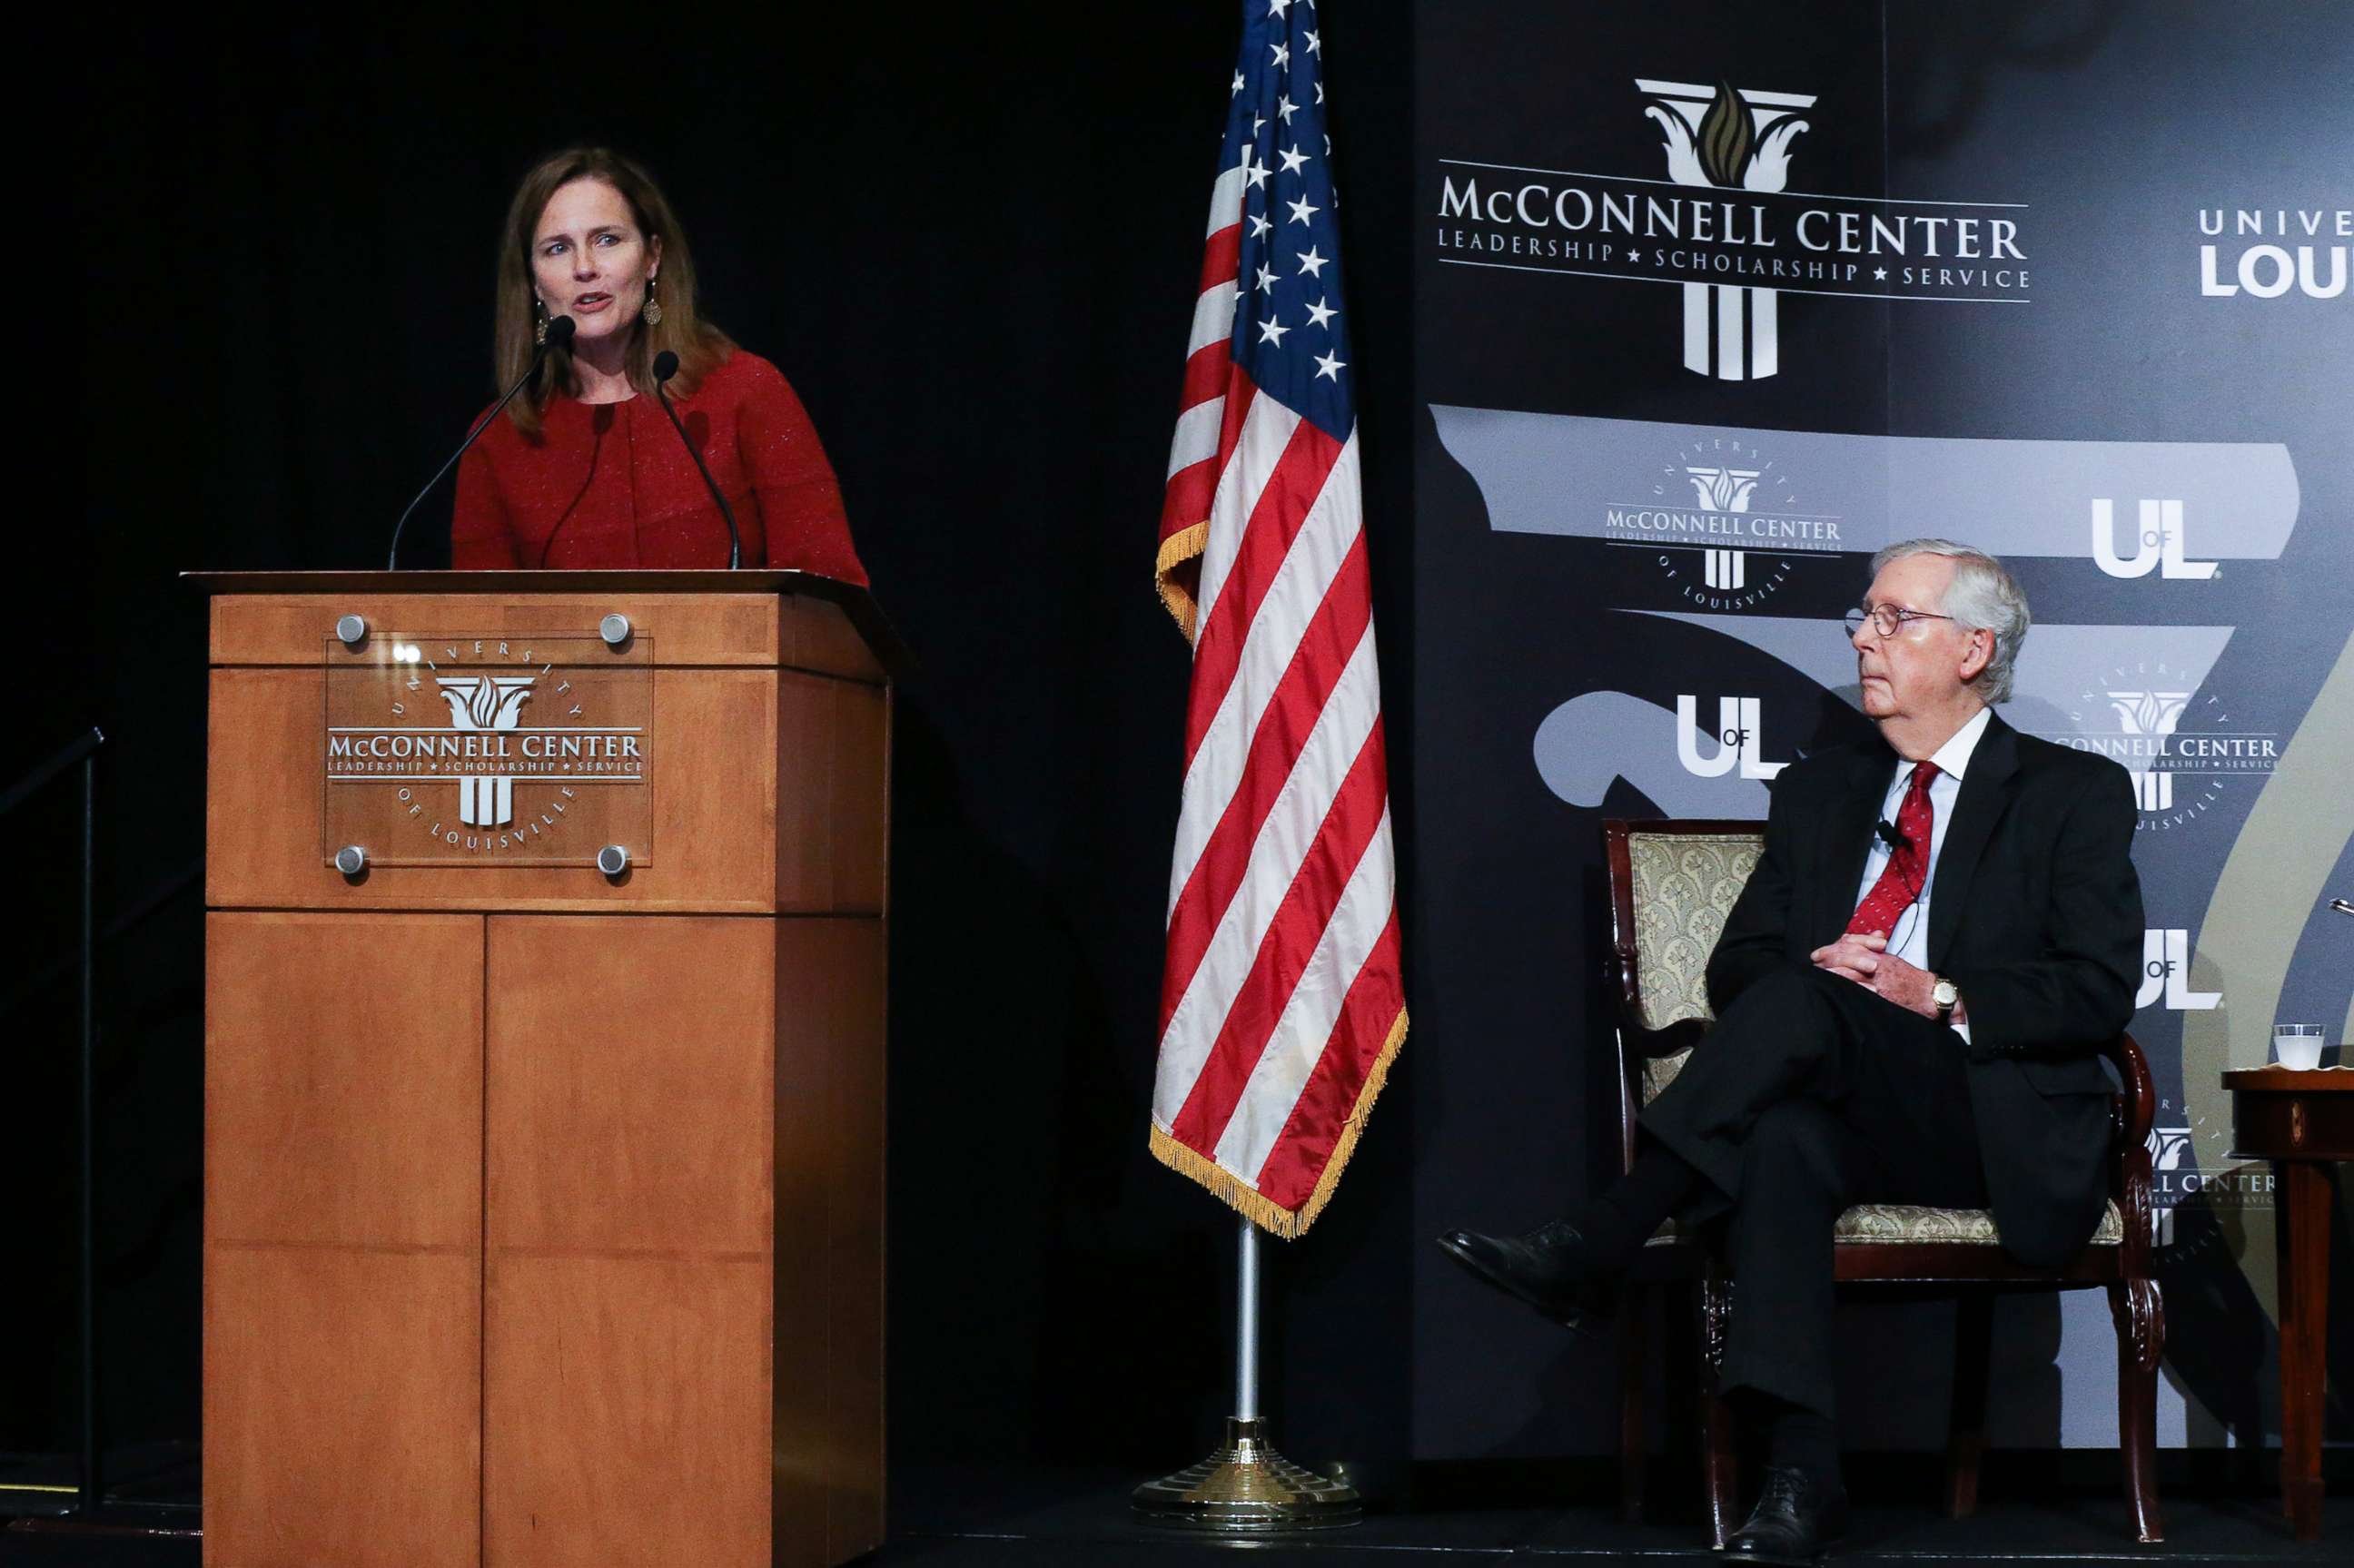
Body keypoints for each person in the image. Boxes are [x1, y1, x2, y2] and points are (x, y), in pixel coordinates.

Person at [1440, 539, 2142, 1564]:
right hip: (1842, 1095)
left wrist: (1933, 990)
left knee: (1806, 1024)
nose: (1863, 635)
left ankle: (1601, 1239)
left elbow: (2096, 987)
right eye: (1863, 615)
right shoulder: (1821, 792)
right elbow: (1741, 968)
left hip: (1984, 1108)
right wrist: (1823, 968)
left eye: (1895, 618)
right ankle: (1804, 1475)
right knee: (1783, 1140)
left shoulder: (2071, 791)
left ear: (1973, 648)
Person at [451, 147, 866, 581]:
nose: (584, 268)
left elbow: (827, 589)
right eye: (557, 248)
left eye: (607, 240)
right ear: (535, 280)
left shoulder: (747, 391)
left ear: (652, 257)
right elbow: (483, 630)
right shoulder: (497, 441)